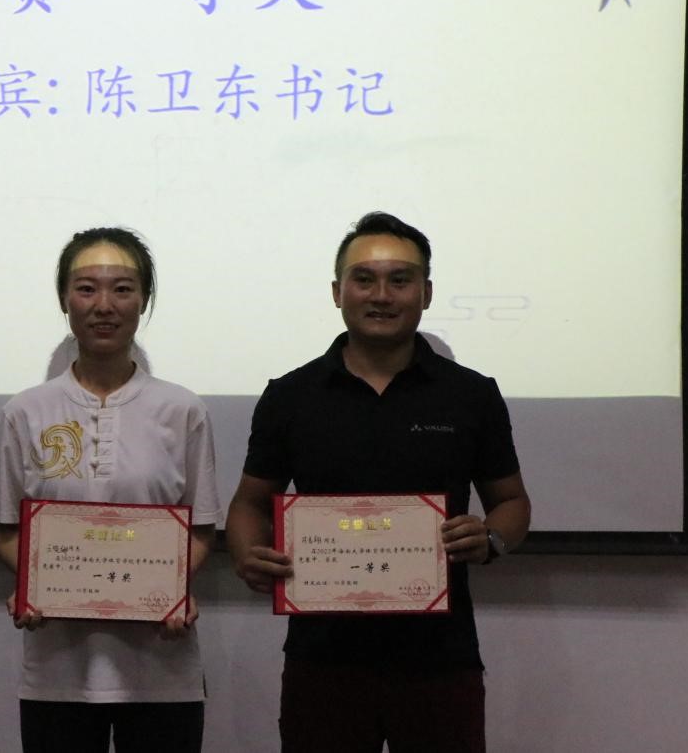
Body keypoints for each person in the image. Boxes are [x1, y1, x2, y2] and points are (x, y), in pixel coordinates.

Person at [225, 211, 531, 753]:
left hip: (440, 657)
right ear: (337, 292)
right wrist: (248, 554)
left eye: (400, 280)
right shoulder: (291, 396)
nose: (382, 295)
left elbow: (511, 502)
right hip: (323, 657)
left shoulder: (471, 394)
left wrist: (491, 538)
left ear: (426, 293)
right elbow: (249, 504)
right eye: (364, 279)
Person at [0, 227, 220, 753]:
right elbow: (6, 529)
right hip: (57, 673)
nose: (104, 306)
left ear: (144, 300)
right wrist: (31, 582)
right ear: (64, 299)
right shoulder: (25, 410)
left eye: (123, 289)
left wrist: (173, 587)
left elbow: (201, 528)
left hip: (162, 670)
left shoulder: (183, 410)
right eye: (87, 288)